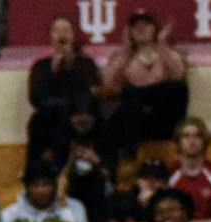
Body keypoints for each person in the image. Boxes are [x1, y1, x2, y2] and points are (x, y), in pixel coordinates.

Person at [99, 11, 188, 157]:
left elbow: (178, 74)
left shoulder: (166, 52)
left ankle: (136, 94)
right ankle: (127, 155)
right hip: (137, 118)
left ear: (155, 28)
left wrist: (162, 45)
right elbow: (108, 81)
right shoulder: (124, 55)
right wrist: (125, 51)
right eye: (135, 26)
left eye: (146, 24)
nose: (141, 29)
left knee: (177, 89)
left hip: (162, 116)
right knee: (129, 102)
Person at [26, 16, 98, 160]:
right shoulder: (41, 66)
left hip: (79, 115)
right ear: (50, 37)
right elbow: (35, 98)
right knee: (38, 122)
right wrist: (53, 70)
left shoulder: (86, 63)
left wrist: (71, 65)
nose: (61, 35)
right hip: (51, 117)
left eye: (66, 30)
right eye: (56, 31)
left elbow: (90, 91)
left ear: (74, 36)